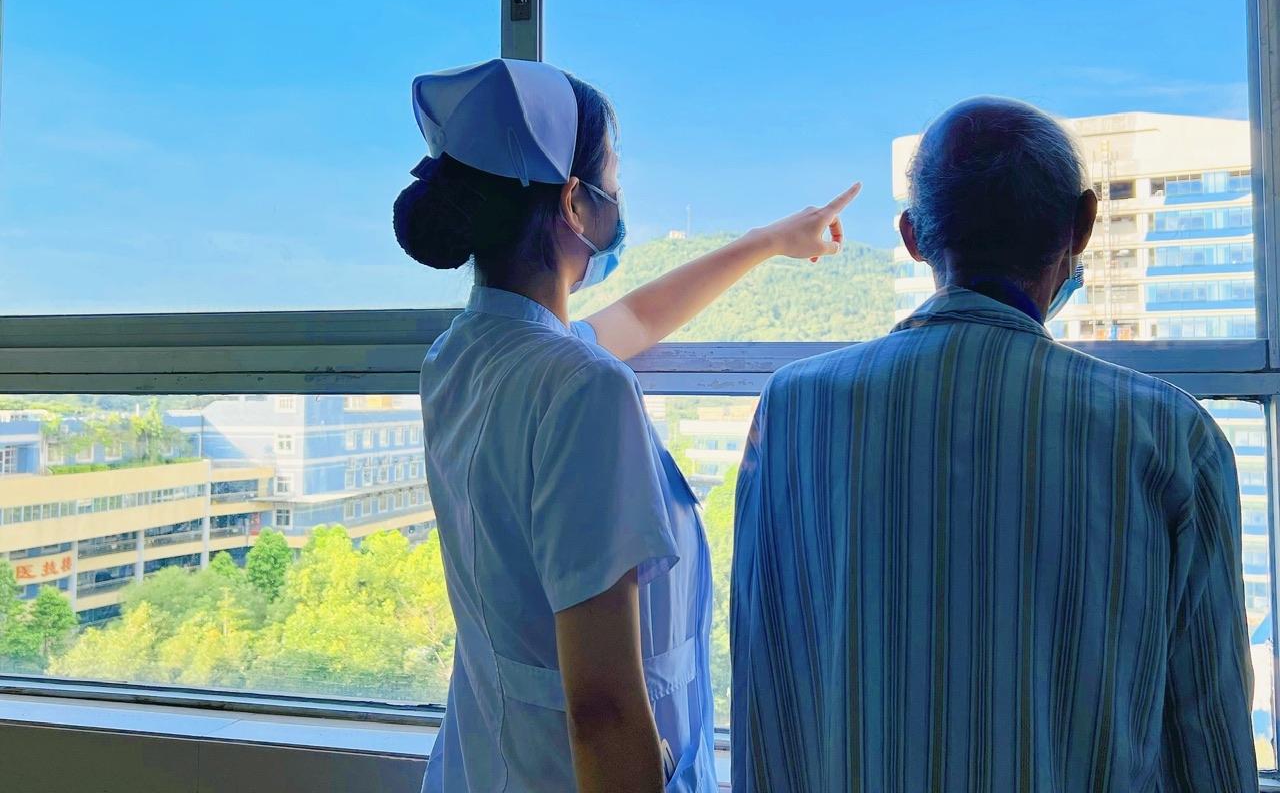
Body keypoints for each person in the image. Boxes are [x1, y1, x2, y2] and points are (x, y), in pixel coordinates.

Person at [731, 96, 1258, 792]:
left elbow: (764, 693)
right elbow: (1209, 747)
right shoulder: (1169, 437)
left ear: (913, 237)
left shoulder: (794, 409)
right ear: (1084, 226)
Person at [393, 57, 860, 793]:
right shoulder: (581, 386)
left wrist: (770, 241)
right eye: (611, 177)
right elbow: (604, 707)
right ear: (575, 204)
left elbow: (638, 318)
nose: (620, 197)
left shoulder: (464, 355)